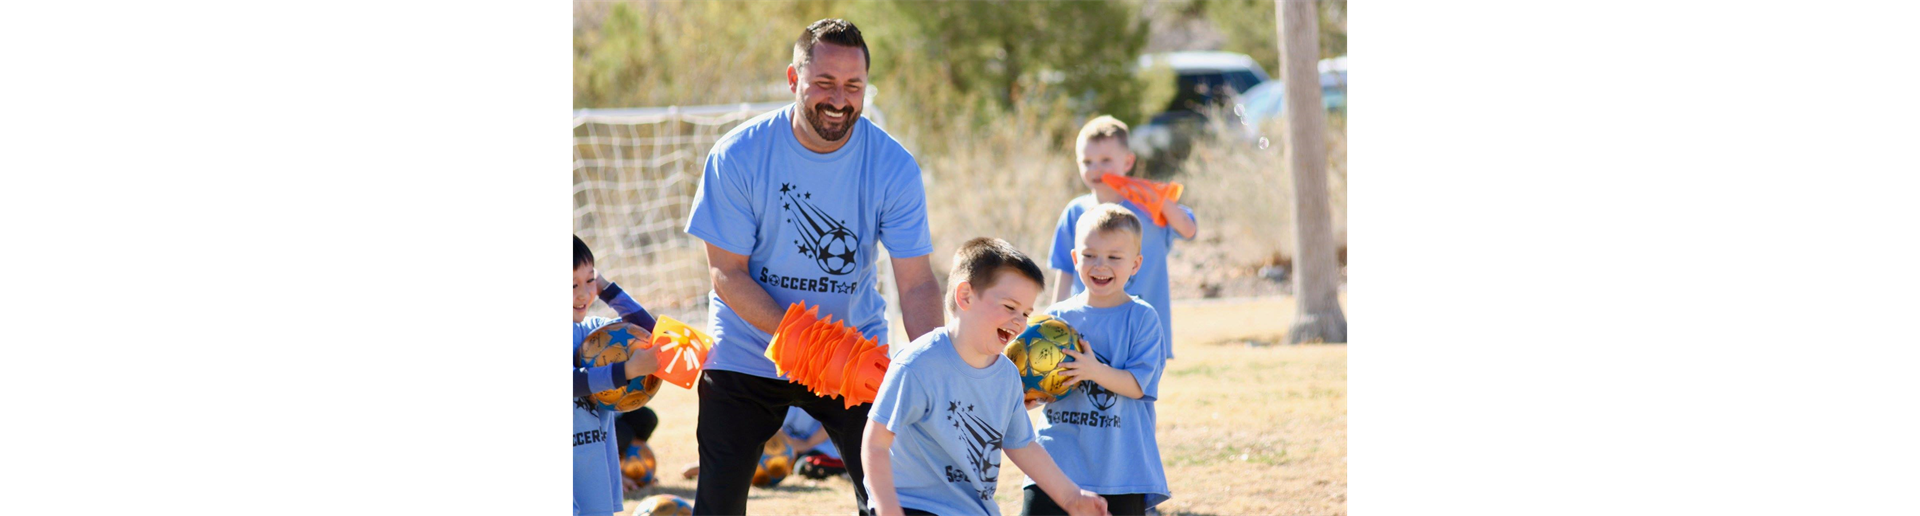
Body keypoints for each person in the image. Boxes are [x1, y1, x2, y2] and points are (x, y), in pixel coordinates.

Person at [682, 18, 944, 516]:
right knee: (717, 503)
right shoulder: (737, 155)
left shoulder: (893, 166)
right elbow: (726, 274)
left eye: (853, 85)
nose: (839, 98)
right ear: (793, 79)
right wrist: (805, 343)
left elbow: (916, 283)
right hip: (747, 350)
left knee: (896, 500)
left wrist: (936, 366)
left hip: (854, 353)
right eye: (824, 82)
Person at [864, 238, 1109, 516]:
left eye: (1026, 313)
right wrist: (887, 509)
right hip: (914, 507)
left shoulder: (1006, 375)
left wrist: (1071, 497)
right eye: (1009, 307)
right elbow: (875, 444)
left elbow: (1023, 445)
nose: (1019, 321)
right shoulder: (917, 365)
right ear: (965, 296)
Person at [1024, 205, 1169, 516]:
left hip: (1120, 470)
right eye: (1090, 255)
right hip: (1056, 464)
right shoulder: (1056, 319)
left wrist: (1092, 370)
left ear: (1135, 264)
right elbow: (1040, 383)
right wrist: (1028, 396)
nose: (1100, 265)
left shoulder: (1142, 318)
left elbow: (1138, 386)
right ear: (1075, 259)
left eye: (1114, 257)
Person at [1048, 116, 1199, 360]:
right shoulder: (1075, 211)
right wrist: (1053, 319)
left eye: (1105, 160)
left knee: (1136, 390)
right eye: (1087, 162)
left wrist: (1157, 199)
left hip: (1142, 328)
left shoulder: (1148, 206)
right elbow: (1065, 269)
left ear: (1128, 161)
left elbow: (1188, 230)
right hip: (1089, 326)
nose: (1096, 169)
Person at [573, 233, 663, 516]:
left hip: (593, 463)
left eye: (589, 280)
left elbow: (647, 330)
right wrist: (627, 370)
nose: (583, 294)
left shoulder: (592, 330)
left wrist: (607, 289)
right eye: (571, 284)